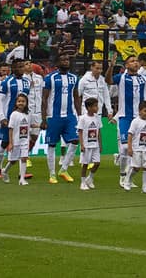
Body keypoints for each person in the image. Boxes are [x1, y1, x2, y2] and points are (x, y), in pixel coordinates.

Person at [42, 53, 80, 184]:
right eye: (63, 59)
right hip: (54, 116)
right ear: (57, 63)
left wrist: (80, 116)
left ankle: (63, 169)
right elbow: (44, 98)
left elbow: (76, 97)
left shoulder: (74, 78)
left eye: (67, 59)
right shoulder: (50, 78)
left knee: (75, 141)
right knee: (52, 145)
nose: (66, 61)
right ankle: (52, 174)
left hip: (70, 116)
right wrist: (43, 118)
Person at [114, 56, 146, 184]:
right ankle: (122, 174)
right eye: (132, 61)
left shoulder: (144, 78)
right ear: (126, 65)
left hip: (139, 118)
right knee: (125, 147)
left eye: (136, 61)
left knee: (135, 148)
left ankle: (128, 177)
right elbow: (108, 80)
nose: (135, 63)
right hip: (125, 116)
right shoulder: (121, 78)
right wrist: (110, 67)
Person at [125, 100, 146, 193]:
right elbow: (130, 134)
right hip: (137, 148)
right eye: (145, 111)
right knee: (136, 167)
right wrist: (130, 147)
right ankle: (128, 180)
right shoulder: (135, 121)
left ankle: (145, 187)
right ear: (139, 111)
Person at [77, 96, 102, 190]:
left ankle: (90, 178)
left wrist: (100, 144)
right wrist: (82, 145)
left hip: (95, 145)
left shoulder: (97, 117)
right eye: (95, 106)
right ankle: (82, 182)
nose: (97, 108)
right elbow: (80, 131)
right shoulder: (83, 118)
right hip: (87, 145)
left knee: (97, 163)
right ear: (89, 108)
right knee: (85, 164)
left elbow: (99, 131)